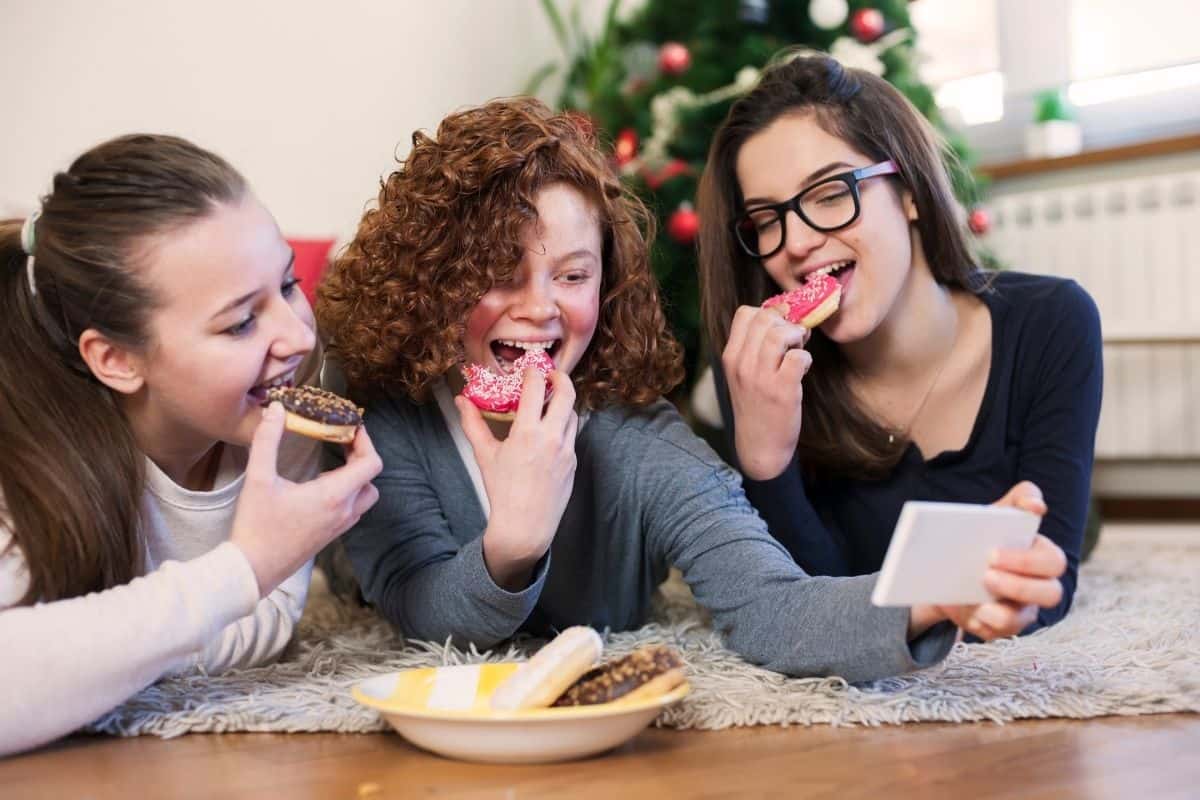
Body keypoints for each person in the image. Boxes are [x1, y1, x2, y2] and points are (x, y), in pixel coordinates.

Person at [316, 98, 1067, 684]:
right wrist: (511, 544)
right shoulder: (385, 404)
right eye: (500, 274)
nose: (541, 308)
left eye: (573, 275)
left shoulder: (637, 440)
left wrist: (933, 595)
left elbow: (771, 605)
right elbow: (419, 610)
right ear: (436, 280)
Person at [0, 134, 382, 757]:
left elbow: (266, 625)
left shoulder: (276, 423)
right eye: (239, 323)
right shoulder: (24, 466)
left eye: (287, 285)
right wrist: (245, 567)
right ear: (117, 358)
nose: (295, 336)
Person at [695, 52, 1102, 634]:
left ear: (908, 189)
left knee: (1082, 529)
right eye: (766, 219)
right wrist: (766, 462)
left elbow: (1049, 586)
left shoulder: (1053, 321)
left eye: (831, 193)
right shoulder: (757, 366)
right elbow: (808, 606)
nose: (799, 242)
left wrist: (1021, 583)